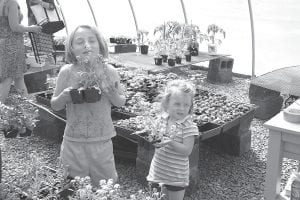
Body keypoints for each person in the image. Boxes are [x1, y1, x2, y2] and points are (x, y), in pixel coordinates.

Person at [50, 25, 126, 186]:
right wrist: (65, 95)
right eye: (80, 42)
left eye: (92, 40)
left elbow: (120, 102)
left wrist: (111, 92)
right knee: (72, 186)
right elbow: (55, 105)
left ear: (100, 45)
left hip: (102, 139)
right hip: (73, 140)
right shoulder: (66, 72)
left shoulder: (109, 71)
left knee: (105, 185)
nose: (86, 45)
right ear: (71, 48)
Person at [147, 79, 199, 200]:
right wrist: (153, 138)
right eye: (177, 104)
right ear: (166, 103)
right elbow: (155, 141)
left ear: (191, 106)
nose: (182, 108)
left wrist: (170, 141)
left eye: (186, 105)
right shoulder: (162, 119)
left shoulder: (188, 126)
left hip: (177, 176)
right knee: (155, 197)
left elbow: (187, 151)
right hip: (158, 171)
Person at [0, 0, 42, 102]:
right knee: (8, 78)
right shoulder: (11, 3)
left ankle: (27, 106)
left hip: (4, 44)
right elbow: (15, 26)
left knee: (18, 78)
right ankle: (1, 110)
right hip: (13, 46)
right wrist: (31, 28)